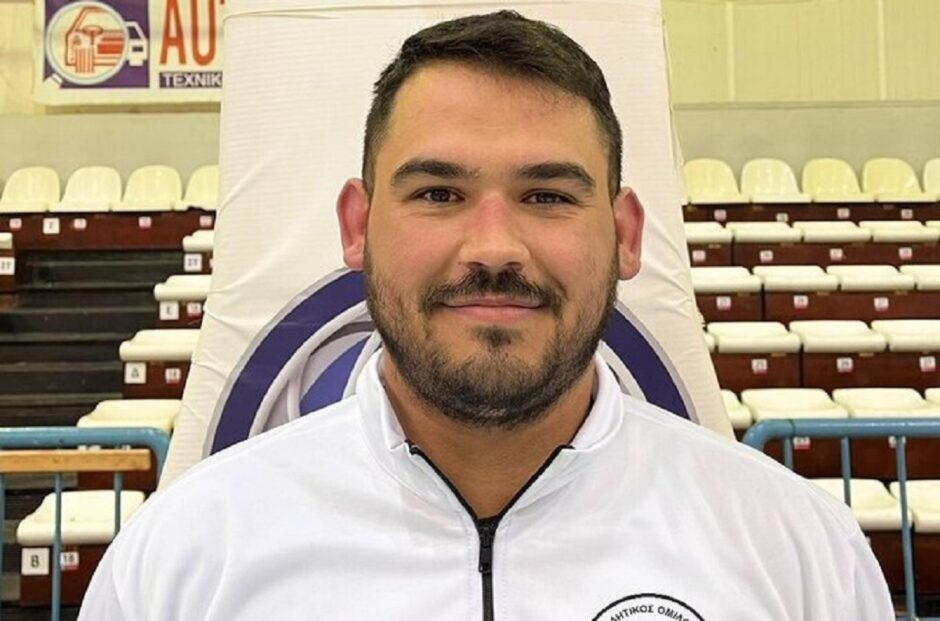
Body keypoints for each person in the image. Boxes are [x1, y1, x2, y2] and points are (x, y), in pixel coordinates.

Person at [80, 11, 893, 620]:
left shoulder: (796, 553)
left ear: (625, 235)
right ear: (358, 227)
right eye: (439, 193)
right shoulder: (186, 557)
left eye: (548, 195)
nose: (494, 246)